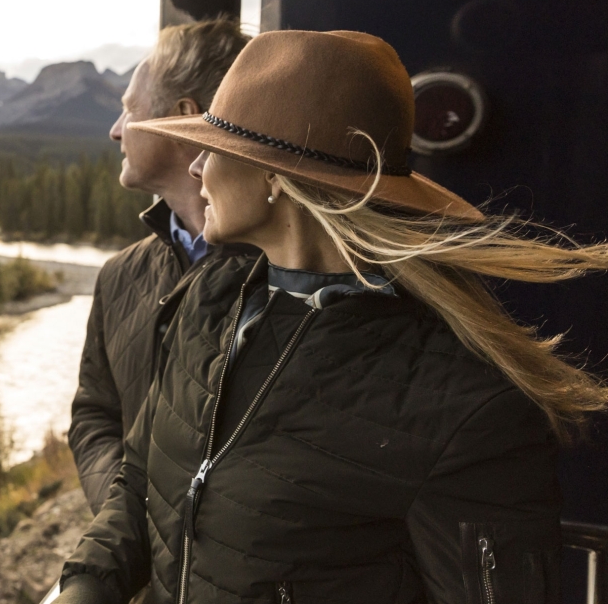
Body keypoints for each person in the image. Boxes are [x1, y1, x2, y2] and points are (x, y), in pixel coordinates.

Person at [56, 30, 608, 604]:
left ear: (274, 177)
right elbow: (142, 478)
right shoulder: (205, 301)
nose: (195, 167)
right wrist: (86, 586)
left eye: (214, 149)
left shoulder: (463, 407)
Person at [70, 18, 249, 515]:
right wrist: (127, 518)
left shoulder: (288, 274)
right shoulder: (118, 277)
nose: (114, 130)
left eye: (129, 109)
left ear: (183, 118)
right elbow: (94, 414)